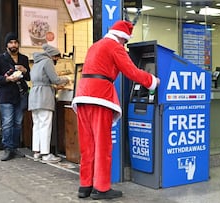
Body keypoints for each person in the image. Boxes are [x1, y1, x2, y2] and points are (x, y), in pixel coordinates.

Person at [71, 20, 160, 200]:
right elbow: (132, 72)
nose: (124, 45)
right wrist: (152, 80)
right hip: (100, 97)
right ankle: (102, 188)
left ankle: (85, 186)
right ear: (122, 37)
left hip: (82, 96)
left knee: (87, 145)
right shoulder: (114, 47)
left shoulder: (95, 46)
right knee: (103, 144)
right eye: (125, 42)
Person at [0, 32, 30, 161]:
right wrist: (6, 79)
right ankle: (7, 148)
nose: (14, 45)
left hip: (21, 94)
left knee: (18, 123)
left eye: (15, 42)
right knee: (7, 123)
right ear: (7, 45)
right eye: (11, 42)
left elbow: (29, 77)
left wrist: (25, 70)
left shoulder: (23, 58)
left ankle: (15, 147)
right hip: (6, 95)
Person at [28, 44, 69, 163]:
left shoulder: (36, 62)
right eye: (57, 57)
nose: (57, 60)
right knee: (45, 124)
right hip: (44, 96)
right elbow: (55, 79)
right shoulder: (47, 61)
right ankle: (46, 154)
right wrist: (67, 79)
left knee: (37, 124)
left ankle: (37, 152)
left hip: (34, 95)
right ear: (53, 56)